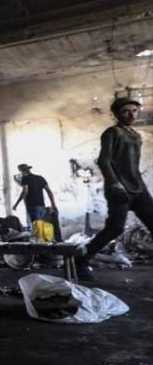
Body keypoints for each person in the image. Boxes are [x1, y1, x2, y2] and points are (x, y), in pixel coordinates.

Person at [75, 97, 153, 280]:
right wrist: (114, 183)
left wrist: (141, 186)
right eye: (126, 111)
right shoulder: (112, 133)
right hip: (118, 188)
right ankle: (81, 261)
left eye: (134, 111)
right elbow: (104, 160)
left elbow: (133, 165)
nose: (131, 115)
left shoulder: (135, 135)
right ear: (117, 114)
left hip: (138, 187)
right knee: (115, 229)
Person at [12, 164, 57, 228]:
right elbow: (49, 192)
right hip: (42, 206)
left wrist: (16, 204)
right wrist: (53, 205)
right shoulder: (40, 178)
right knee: (43, 228)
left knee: (37, 228)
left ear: (22, 171)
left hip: (32, 207)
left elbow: (25, 191)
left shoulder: (25, 178)